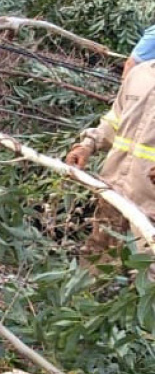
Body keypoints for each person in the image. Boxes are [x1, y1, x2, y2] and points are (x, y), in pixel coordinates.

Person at [65, 59, 155, 262]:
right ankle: (87, 292)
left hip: (150, 205)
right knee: (99, 254)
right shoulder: (140, 74)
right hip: (113, 190)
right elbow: (115, 120)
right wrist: (88, 145)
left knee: (145, 269)